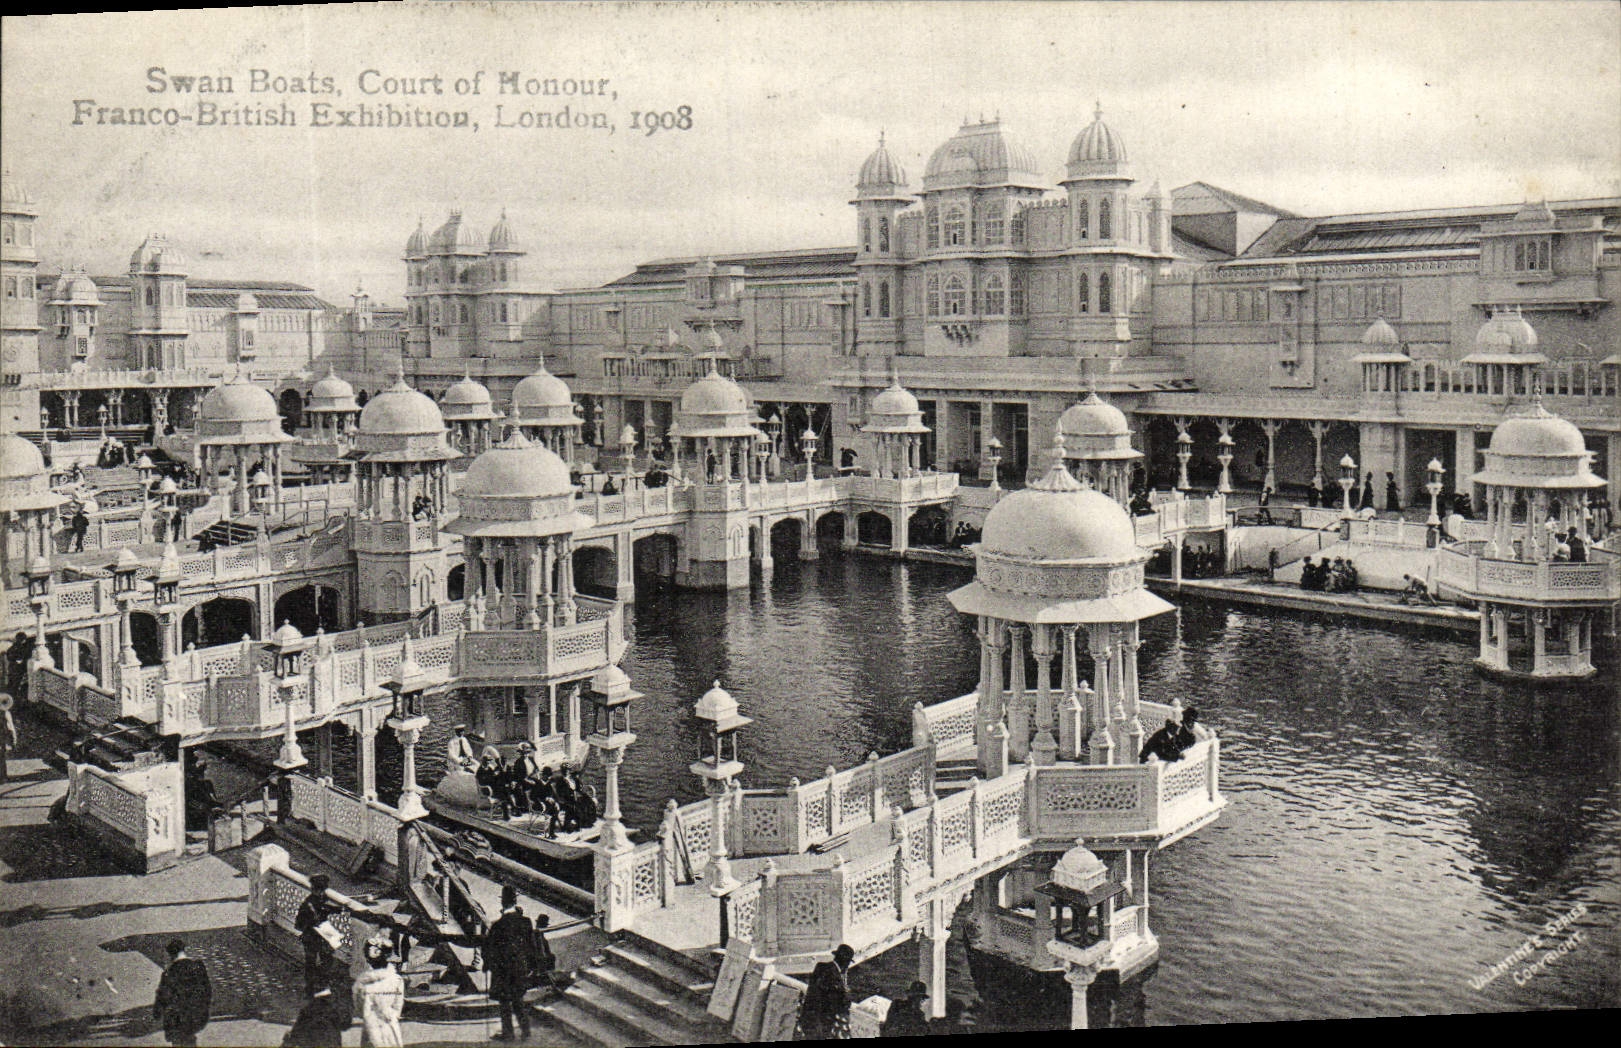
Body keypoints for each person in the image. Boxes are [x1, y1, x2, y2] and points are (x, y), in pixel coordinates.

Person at [483, 885, 537, 1042]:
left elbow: (489, 948)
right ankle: (525, 1030)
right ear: (515, 902)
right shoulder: (526, 922)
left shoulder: (497, 926)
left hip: (503, 971)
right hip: (520, 968)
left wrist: (486, 965)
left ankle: (508, 1034)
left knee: (505, 1002)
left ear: (502, 904)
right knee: (518, 1000)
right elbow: (530, 947)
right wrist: (532, 967)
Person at [152, 939, 211, 1047]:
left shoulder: (169, 973)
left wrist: (157, 1012)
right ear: (184, 950)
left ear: (171, 955)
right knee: (189, 1038)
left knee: (179, 1040)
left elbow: (163, 995)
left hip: (178, 1018)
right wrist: (204, 1007)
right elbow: (207, 990)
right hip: (197, 1014)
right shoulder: (198, 966)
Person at [352, 936, 405, 1047]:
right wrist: (390, 1015)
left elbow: (358, 1007)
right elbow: (398, 1007)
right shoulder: (396, 980)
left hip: (370, 1026)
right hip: (390, 1027)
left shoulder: (362, 981)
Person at [799, 943, 855, 1040]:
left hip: (808, 1018)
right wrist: (845, 988)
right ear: (845, 962)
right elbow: (843, 1002)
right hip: (821, 1024)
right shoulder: (835, 977)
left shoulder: (820, 967)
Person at [294, 873, 338, 997]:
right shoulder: (309, 904)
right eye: (319, 889)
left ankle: (316, 986)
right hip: (314, 937)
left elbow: (298, 924)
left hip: (318, 937)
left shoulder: (318, 901)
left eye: (321, 889)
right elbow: (299, 924)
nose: (320, 892)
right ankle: (316, 986)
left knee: (318, 962)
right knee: (317, 962)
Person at [477, 746, 512, 817]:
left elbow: (494, 778)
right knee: (503, 794)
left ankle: (507, 810)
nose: (487, 762)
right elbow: (481, 781)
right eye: (486, 761)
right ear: (483, 761)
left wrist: (496, 775)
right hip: (486, 789)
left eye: (489, 761)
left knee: (504, 792)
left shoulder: (490, 768)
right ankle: (509, 809)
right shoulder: (480, 770)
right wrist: (492, 776)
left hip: (493, 787)